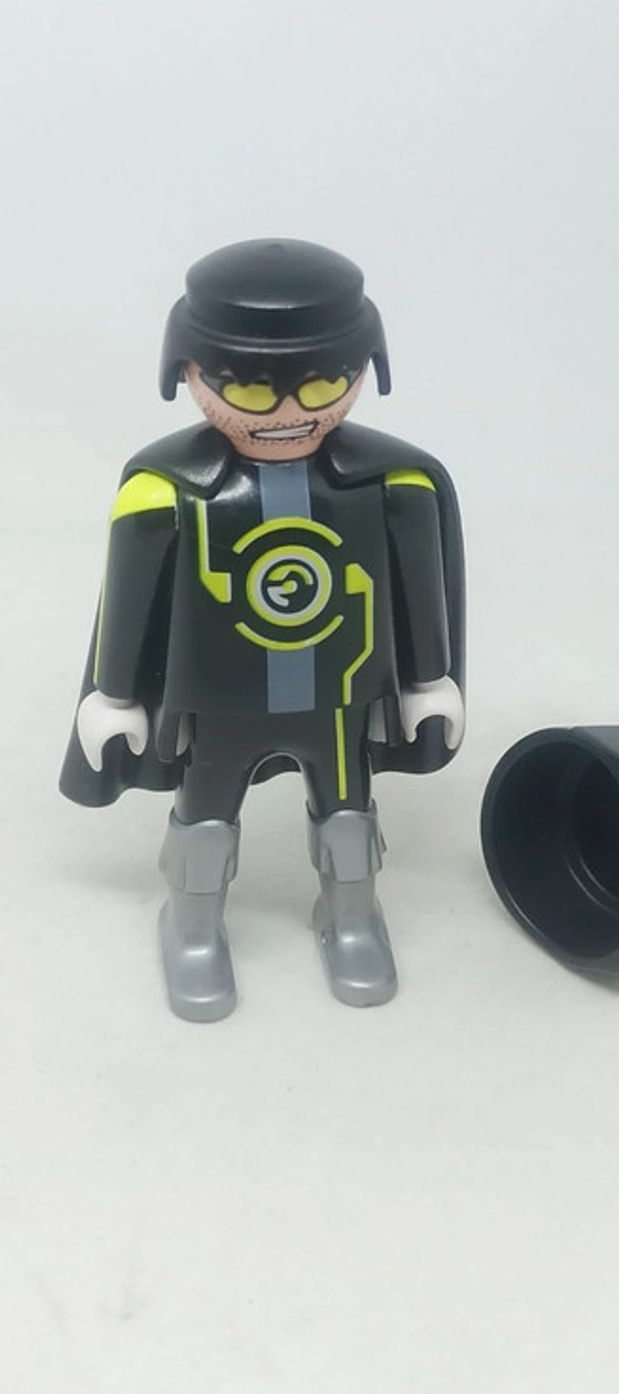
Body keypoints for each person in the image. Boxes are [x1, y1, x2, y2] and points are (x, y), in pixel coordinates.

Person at [60, 238, 466, 1020]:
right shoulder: (166, 492)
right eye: (248, 391)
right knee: (205, 817)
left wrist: (428, 678)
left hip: (339, 694)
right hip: (222, 700)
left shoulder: (391, 487)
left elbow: (419, 585)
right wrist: (114, 695)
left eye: (322, 385)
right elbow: (131, 599)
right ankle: (192, 930)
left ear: (364, 370)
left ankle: (351, 919)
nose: (290, 413)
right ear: (188, 373)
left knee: (348, 816)